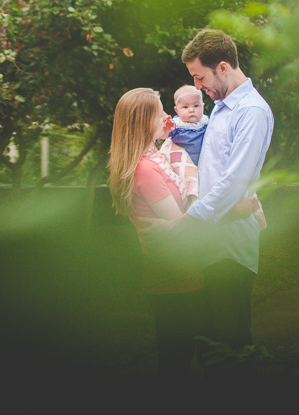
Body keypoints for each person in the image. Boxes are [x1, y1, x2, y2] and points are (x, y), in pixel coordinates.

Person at [141, 29, 274, 376]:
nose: (198, 87)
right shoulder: (219, 111)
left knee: (231, 354)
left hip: (229, 249)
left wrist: (183, 225)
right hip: (208, 244)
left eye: (200, 77)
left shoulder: (251, 112)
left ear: (224, 67)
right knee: (207, 351)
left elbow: (234, 182)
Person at [108, 88, 204, 386]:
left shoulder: (155, 159)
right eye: (159, 112)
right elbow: (178, 225)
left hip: (175, 273)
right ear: (142, 122)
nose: (167, 116)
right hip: (172, 276)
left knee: (179, 356)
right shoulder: (146, 169)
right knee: (176, 361)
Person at [161, 84, 267, 230]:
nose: (191, 110)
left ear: (203, 106)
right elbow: (164, 137)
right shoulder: (176, 125)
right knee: (192, 193)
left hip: (204, 167)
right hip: (188, 166)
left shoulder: (207, 122)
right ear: (176, 110)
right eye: (185, 107)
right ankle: (192, 217)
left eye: (196, 105)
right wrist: (166, 130)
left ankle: (257, 214)